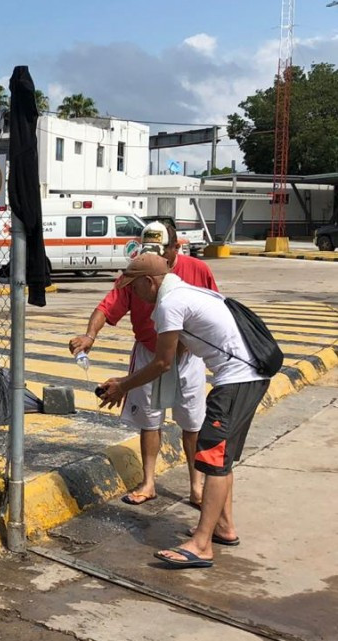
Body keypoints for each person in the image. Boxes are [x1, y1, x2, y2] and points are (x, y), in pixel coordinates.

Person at [98, 253, 269, 568]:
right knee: (223, 456)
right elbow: (174, 354)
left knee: (214, 460)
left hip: (236, 380)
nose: (133, 295)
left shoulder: (168, 304)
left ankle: (201, 544)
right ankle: (224, 527)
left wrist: (123, 385)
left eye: (133, 288)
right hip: (249, 376)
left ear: (149, 282)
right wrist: (126, 381)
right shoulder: (188, 292)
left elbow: (163, 363)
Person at [69, 223, 217, 507]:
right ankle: (149, 481)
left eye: (163, 255)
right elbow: (108, 305)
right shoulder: (139, 270)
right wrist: (90, 335)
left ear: (176, 248)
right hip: (150, 350)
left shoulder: (198, 271)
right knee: (150, 420)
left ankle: (196, 485)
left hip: (187, 356)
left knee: (192, 421)